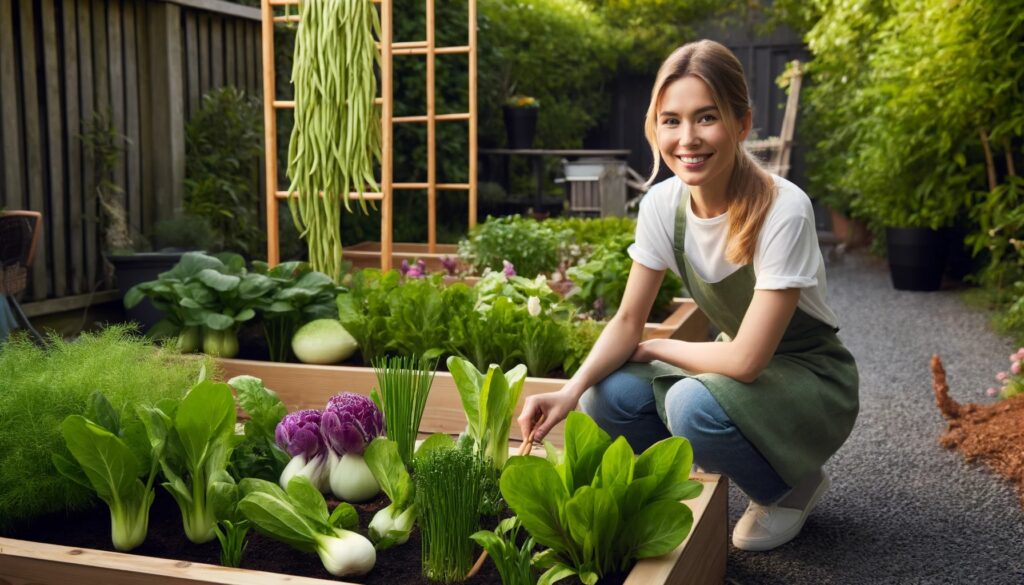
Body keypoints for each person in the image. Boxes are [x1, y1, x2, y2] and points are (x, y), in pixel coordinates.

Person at [517, 39, 859, 552]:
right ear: (655, 128)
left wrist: (656, 348)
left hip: (810, 377)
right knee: (604, 394)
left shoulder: (783, 208)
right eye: (670, 120)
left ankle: (789, 488)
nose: (687, 138)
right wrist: (568, 392)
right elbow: (629, 320)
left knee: (691, 404)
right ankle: (683, 489)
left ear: (742, 124)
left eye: (706, 118)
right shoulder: (663, 204)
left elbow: (744, 360)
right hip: (738, 368)